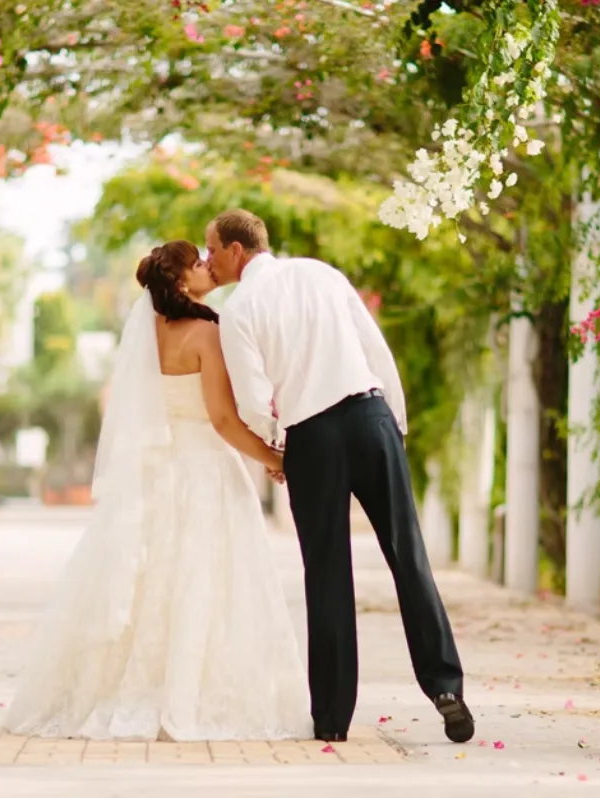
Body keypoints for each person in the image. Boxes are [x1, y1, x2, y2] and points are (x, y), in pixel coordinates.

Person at [3, 240, 310, 742]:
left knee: (154, 584)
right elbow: (223, 419)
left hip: (155, 473)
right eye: (199, 263)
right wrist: (276, 459)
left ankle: (136, 690)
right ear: (182, 280)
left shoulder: (145, 334)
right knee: (203, 582)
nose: (209, 268)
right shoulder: (207, 333)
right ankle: (185, 699)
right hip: (205, 469)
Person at [208, 209, 474, 744]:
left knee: (327, 575)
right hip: (370, 415)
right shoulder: (322, 274)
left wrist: (280, 448)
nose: (208, 260)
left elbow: (255, 401)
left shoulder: (239, 310)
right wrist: (392, 424)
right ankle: (446, 688)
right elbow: (376, 351)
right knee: (409, 555)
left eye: (212, 249)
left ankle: (332, 717)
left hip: (312, 435)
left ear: (237, 250)